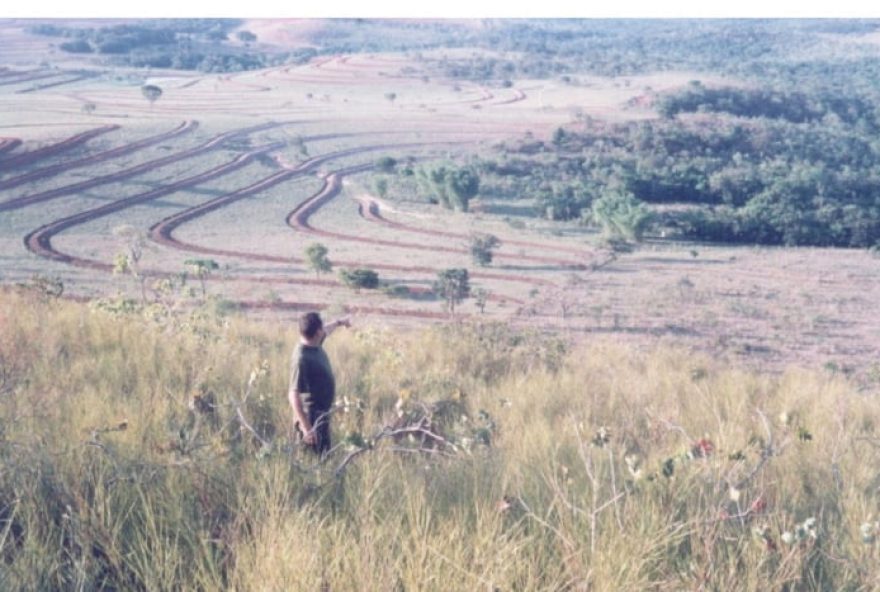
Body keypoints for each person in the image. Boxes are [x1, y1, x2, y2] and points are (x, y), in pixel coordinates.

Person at [288, 312, 350, 455]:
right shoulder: (301, 358)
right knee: (313, 459)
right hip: (310, 416)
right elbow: (293, 395)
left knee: (324, 455)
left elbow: (326, 331)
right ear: (316, 333)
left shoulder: (313, 342)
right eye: (321, 329)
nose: (324, 331)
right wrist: (307, 428)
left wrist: (340, 322)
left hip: (321, 414)